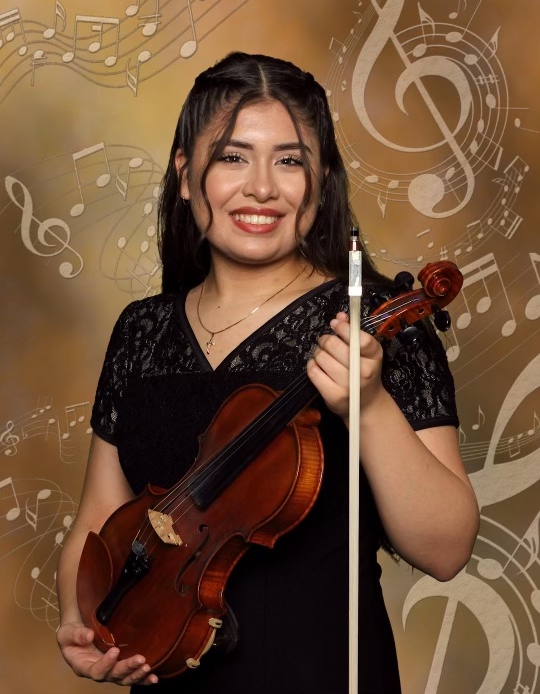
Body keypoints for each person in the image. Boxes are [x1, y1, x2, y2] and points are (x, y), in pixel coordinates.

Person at [56, 52, 479, 693]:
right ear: (187, 175)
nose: (261, 187)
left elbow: (446, 549)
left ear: (322, 179)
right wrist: (83, 621)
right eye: (231, 157)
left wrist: (367, 408)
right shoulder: (140, 331)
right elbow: (100, 519)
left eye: (289, 160)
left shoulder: (373, 327)